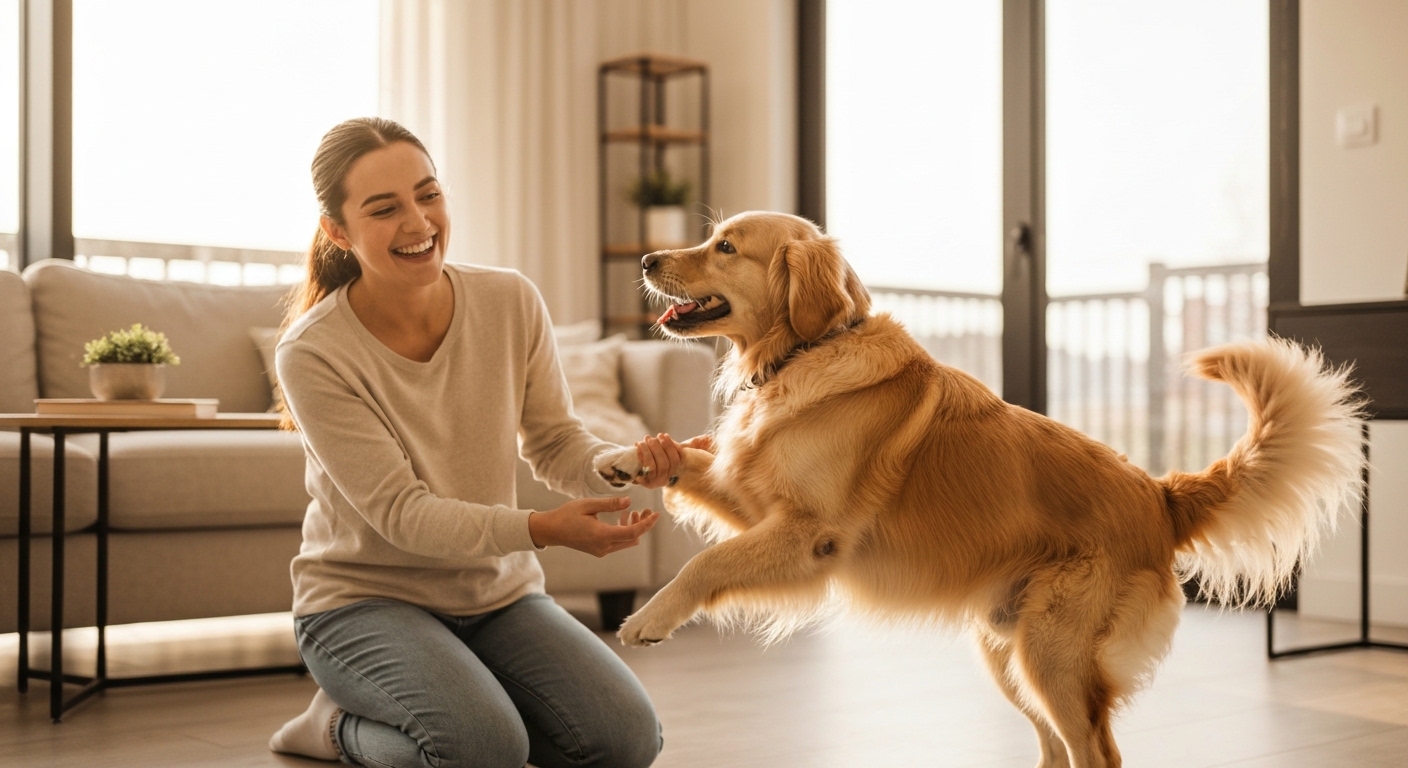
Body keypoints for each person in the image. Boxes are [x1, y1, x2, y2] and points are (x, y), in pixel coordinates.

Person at [266, 117, 685, 768]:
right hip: (361, 604)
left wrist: (626, 464)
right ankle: (336, 727)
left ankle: (468, 701)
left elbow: (553, 441)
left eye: (427, 194)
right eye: (385, 209)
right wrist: (543, 528)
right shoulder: (313, 352)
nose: (418, 222)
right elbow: (402, 515)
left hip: (497, 596)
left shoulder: (509, 299)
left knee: (625, 739)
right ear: (338, 232)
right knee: (483, 748)